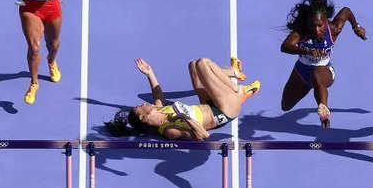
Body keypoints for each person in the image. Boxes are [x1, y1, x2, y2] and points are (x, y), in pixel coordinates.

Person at [105, 57, 260, 139]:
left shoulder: (158, 110)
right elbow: (202, 136)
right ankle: (237, 87)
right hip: (223, 111)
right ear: (144, 117)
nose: (143, 103)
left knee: (192, 65)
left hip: (209, 104)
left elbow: (157, 94)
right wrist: (184, 117)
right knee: (203, 63)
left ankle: (234, 76)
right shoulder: (169, 131)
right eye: (140, 106)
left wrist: (149, 73)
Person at [280, 0, 367, 128]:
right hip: (301, 71)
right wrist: (306, 51)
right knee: (285, 106)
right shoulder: (301, 33)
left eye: (320, 26)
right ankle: (313, 87)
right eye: (312, 25)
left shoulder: (334, 29)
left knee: (317, 74)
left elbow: (346, 11)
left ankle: (323, 109)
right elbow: (285, 47)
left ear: (326, 21)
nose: (316, 30)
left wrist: (356, 27)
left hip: (324, 71)